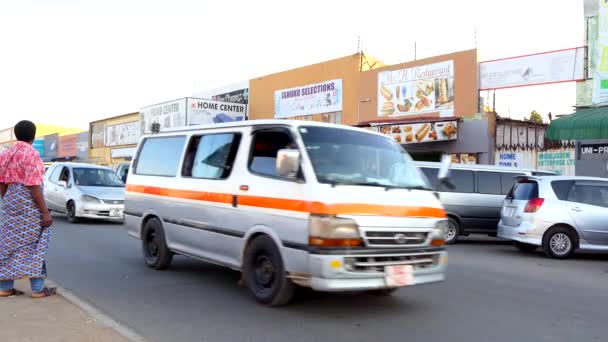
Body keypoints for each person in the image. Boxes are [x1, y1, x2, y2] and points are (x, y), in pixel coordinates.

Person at [0, 120, 55, 298]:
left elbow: (1, 183)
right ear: (33, 135)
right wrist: (45, 212)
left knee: (8, 244)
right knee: (37, 242)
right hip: (29, 204)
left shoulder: (5, 154)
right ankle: (38, 289)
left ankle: (5, 287)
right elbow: (33, 186)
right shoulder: (32, 154)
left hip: (10, 201)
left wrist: (7, 201)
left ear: (16, 135)